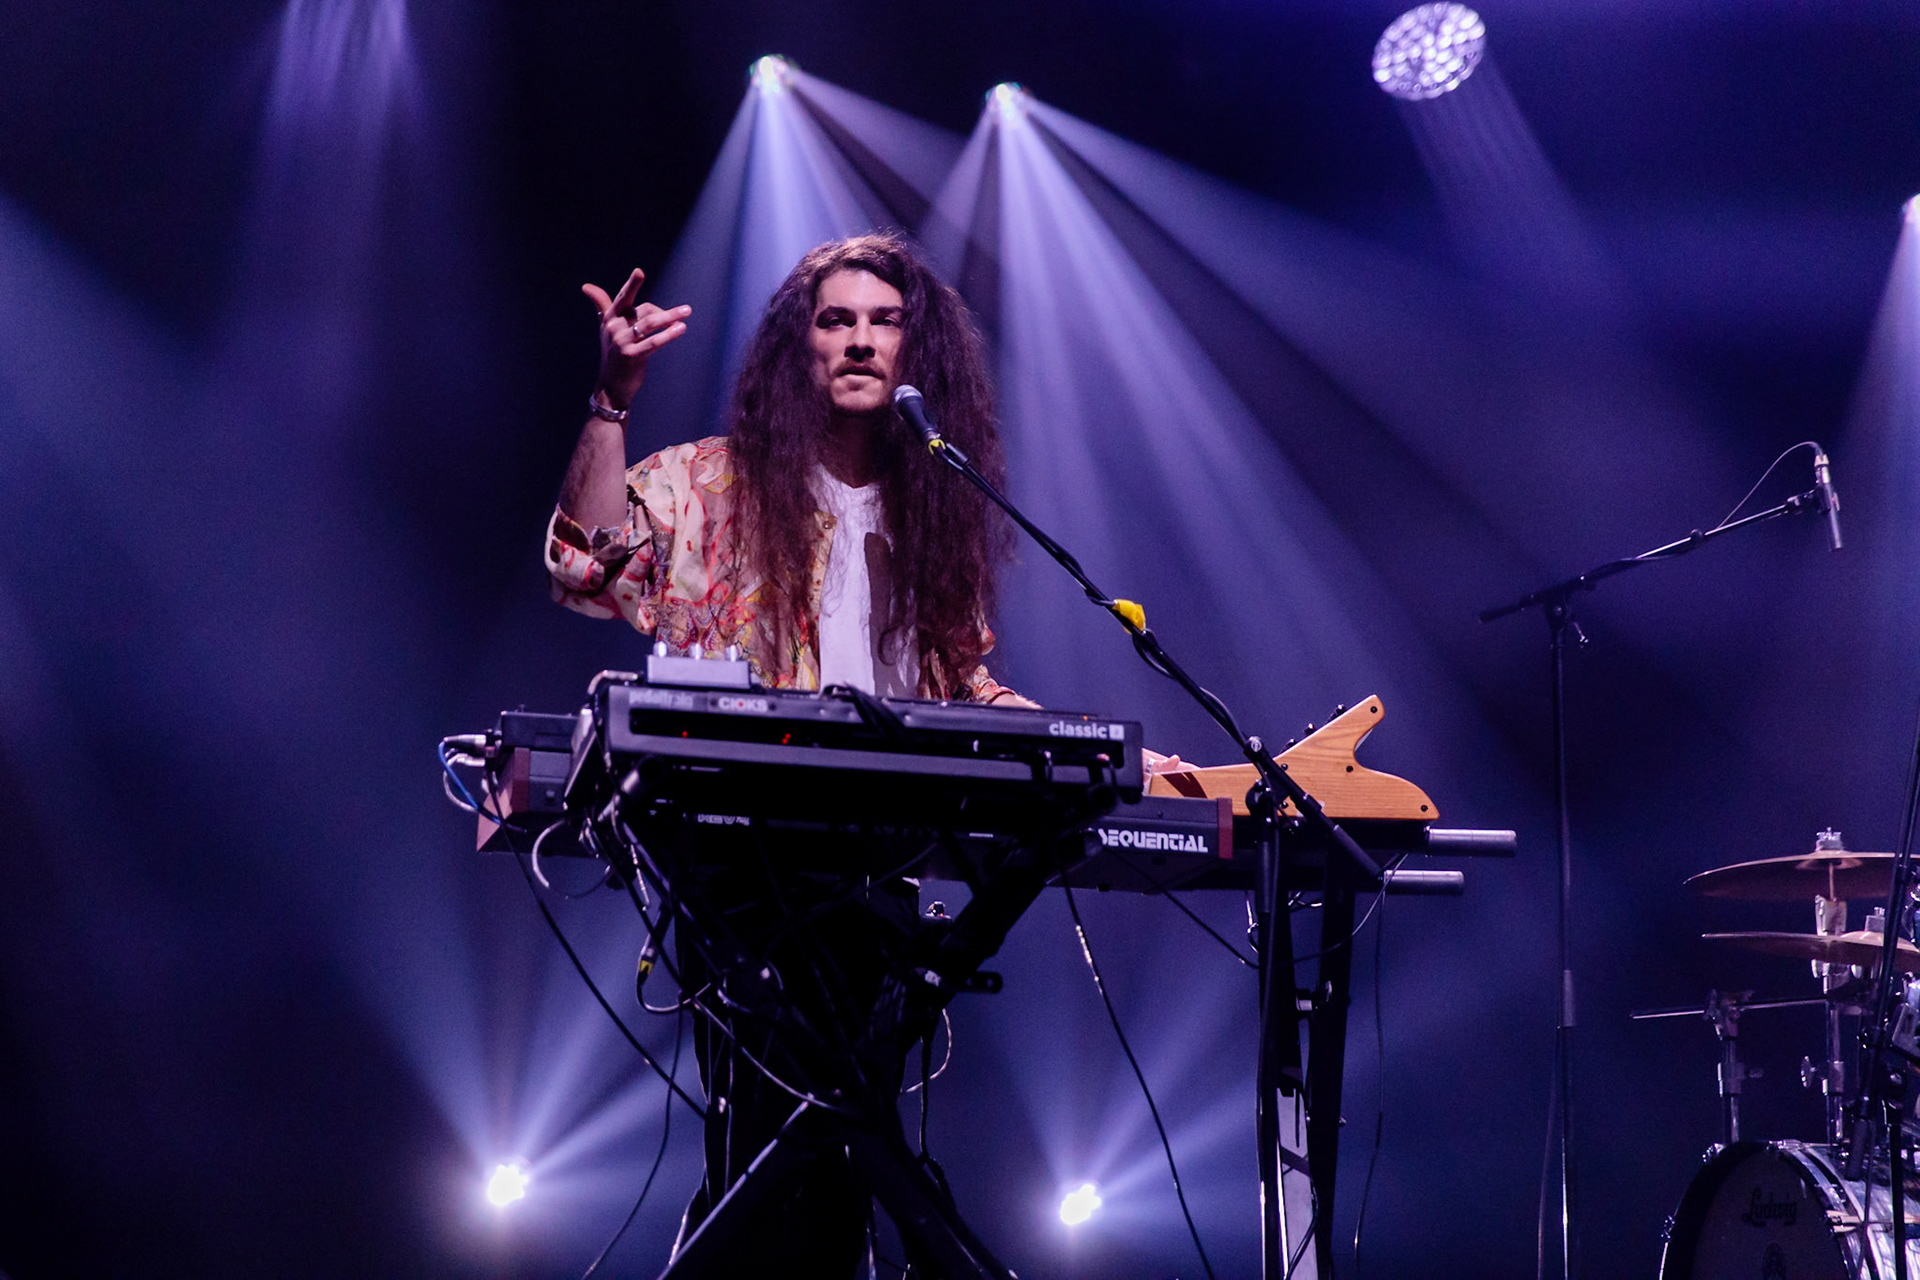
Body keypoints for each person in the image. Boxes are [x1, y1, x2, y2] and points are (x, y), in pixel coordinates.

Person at [545, 232, 1031, 1274]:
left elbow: (963, 681)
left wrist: (1084, 748)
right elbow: (582, 569)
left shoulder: (936, 509)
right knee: (791, 1126)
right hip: (748, 871)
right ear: (796, 347)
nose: (860, 340)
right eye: (835, 319)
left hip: (881, 872)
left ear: (917, 350)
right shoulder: (712, 482)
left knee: (833, 1147)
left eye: (884, 321)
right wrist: (612, 400)